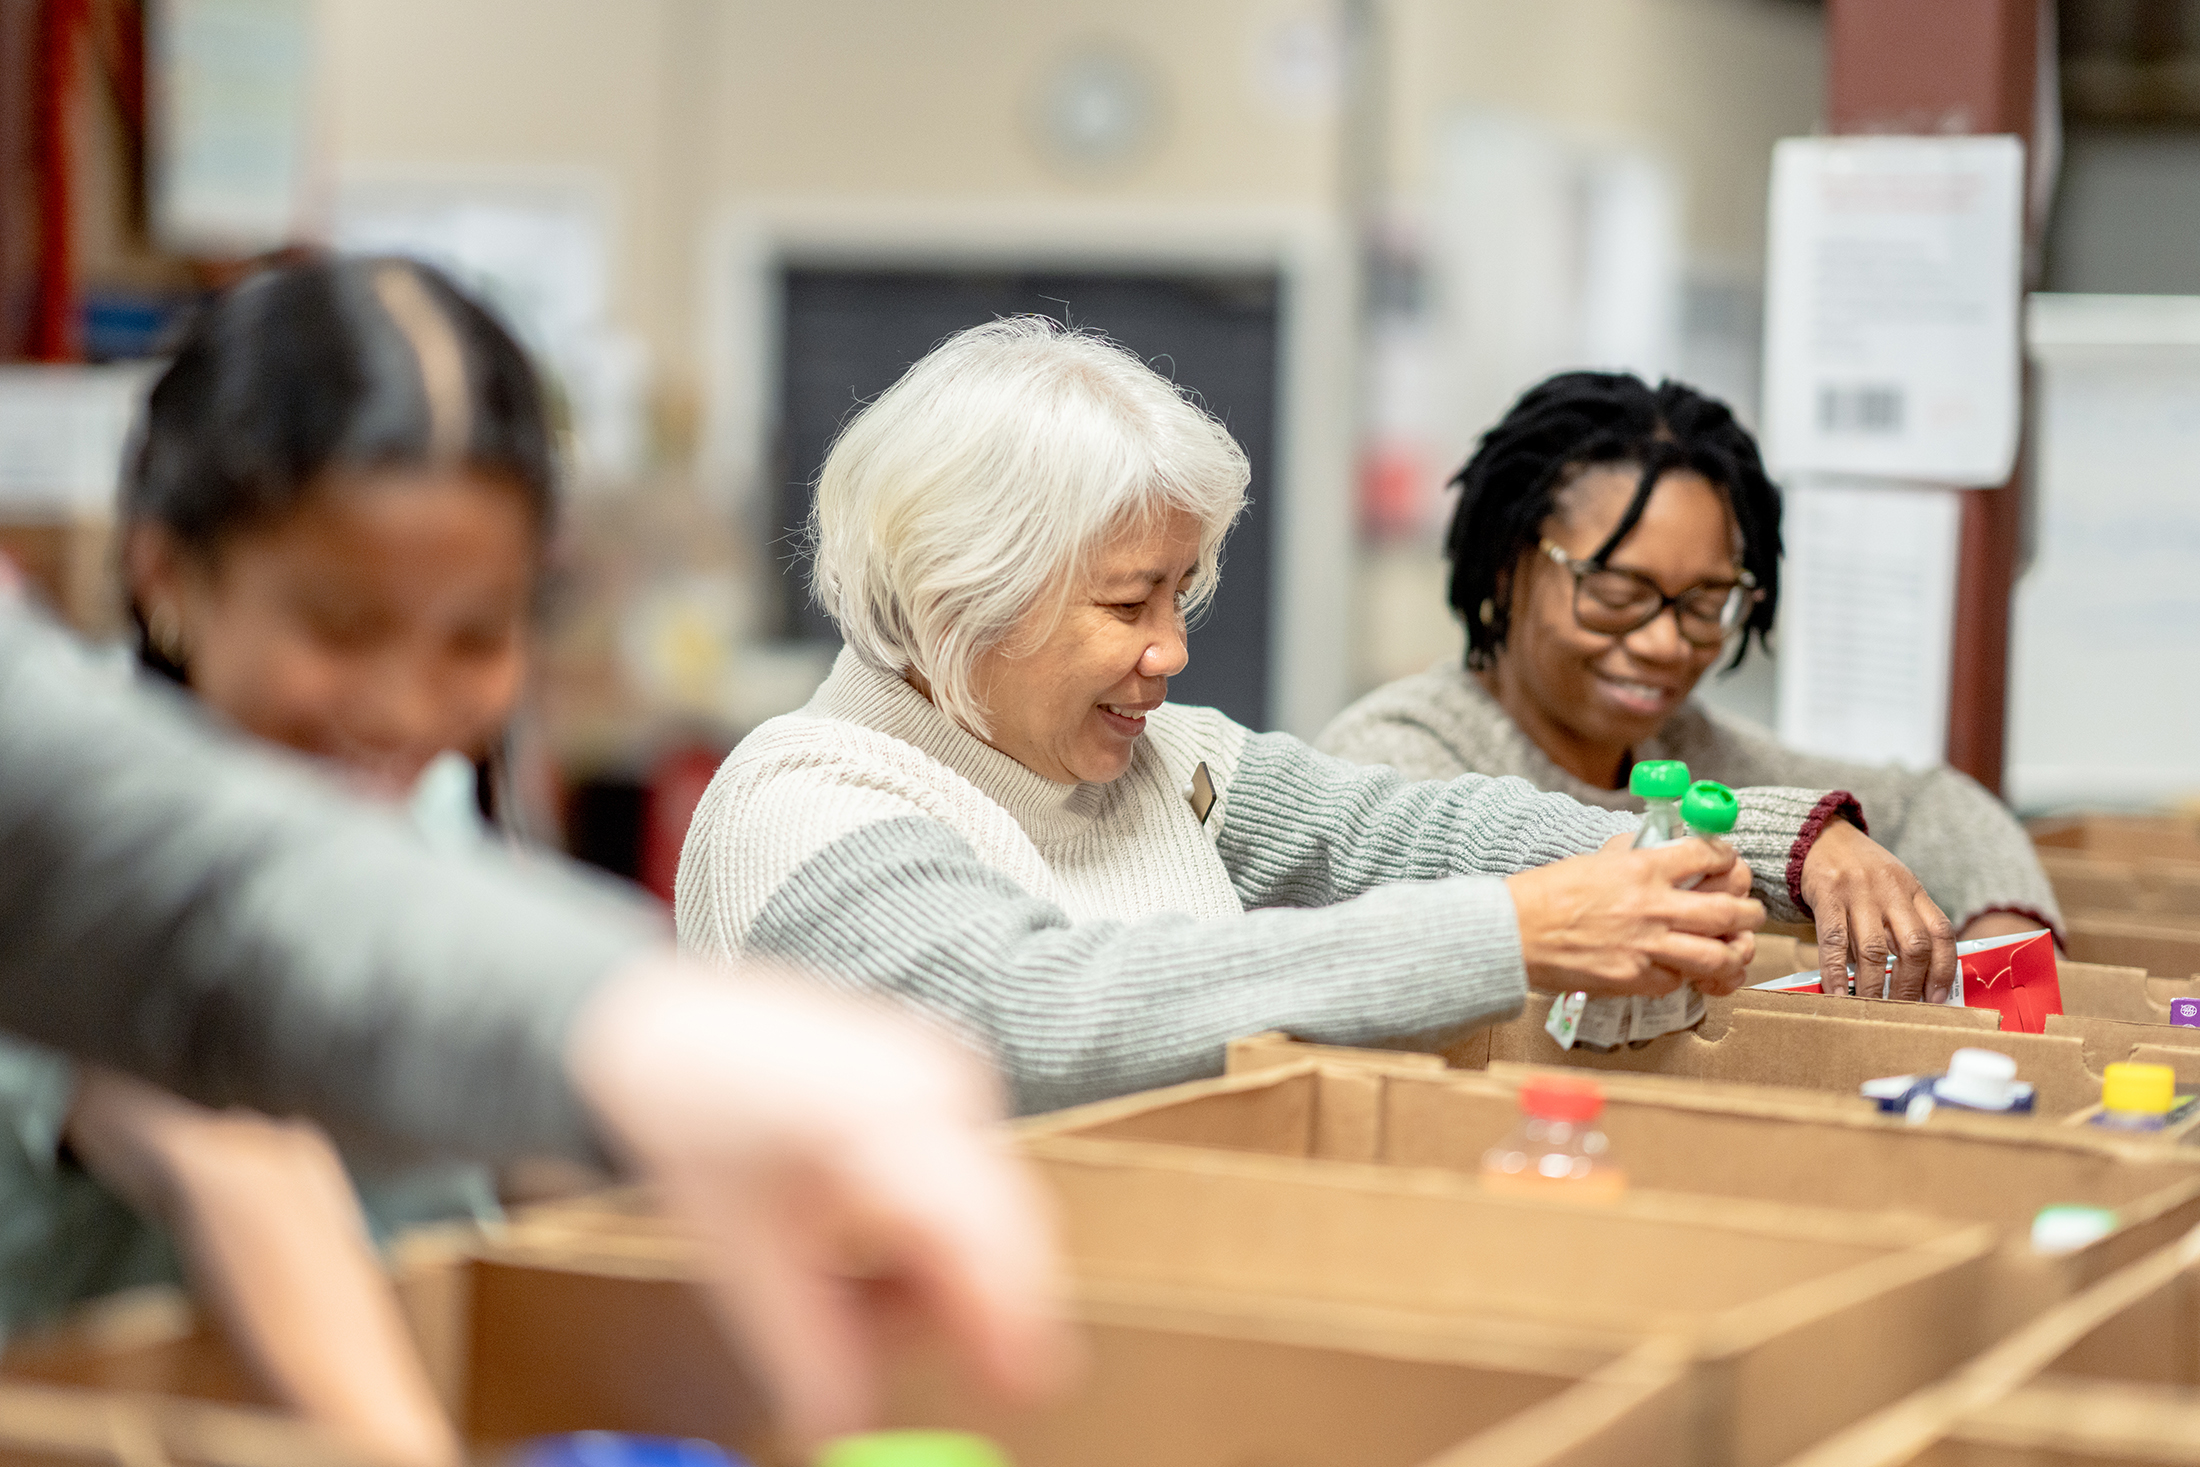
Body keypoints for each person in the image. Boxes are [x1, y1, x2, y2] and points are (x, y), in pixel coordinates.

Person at [675, 319, 1955, 1111]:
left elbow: (1404, 830)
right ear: (967, 595)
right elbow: (1032, 1018)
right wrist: (1506, 935)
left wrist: (1770, 848)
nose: (1172, 651)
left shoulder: (1159, 763)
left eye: (1181, 593)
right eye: (1130, 603)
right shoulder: (807, 805)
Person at [0, 597, 1067, 1447]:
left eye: (475, 637)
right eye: (340, 623)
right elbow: (237, 1140)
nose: (403, 704)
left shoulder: (422, 809)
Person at [1317, 371, 2055, 1000]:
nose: (1664, 642)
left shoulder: (1679, 744)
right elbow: (1514, 868)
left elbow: (1933, 805)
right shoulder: (1393, 747)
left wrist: (2002, 933)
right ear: (1509, 568)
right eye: (1614, 593)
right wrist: (1793, 845)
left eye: (1707, 603)